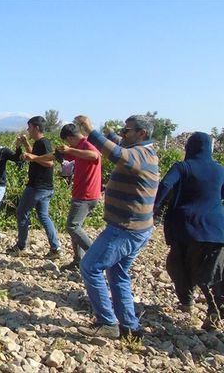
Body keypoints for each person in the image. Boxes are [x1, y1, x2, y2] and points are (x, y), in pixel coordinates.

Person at [75, 115, 159, 341]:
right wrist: (112, 133)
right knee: (118, 274)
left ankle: (107, 322)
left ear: (141, 134)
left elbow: (117, 154)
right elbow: (120, 146)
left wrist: (91, 130)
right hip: (136, 227)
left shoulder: (140, 154)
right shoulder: (141, 150)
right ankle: (130, 327)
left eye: (127, 131)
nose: (123, 134)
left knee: (90, 266)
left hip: (126, 229)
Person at [154, 132, 224, 331]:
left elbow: (166, 184)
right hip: (215, 230)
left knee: (179, 264)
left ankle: (187, 301)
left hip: (185, 227)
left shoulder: (182, 167)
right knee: (212, 273)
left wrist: (154, 207)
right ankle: (214, 311)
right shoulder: (220, 170)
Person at [29, 122, 102, 269]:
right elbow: (55, 156)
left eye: (67, 141)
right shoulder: (77, 147)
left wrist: (71, 150)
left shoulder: (86, 144)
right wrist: (34, 158)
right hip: (81, 193)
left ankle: (97, 257)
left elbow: (94, 155)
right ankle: (78, 261)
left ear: (70, 138)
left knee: (72, 226)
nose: (67, 144)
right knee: (76, 227)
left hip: (86, 195)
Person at [7, 116, 60, 257]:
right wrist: (25, 144)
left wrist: (34, 158)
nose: (28, 130)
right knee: (43, 216)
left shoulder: (43, 143)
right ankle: (55, 249)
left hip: (37, 187)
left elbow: (50, 162)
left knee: (22, 212)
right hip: (46, 188)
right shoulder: (39, 143)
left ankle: (21, 246)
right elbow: (35, 155)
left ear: (36, 128)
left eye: (29, 127)